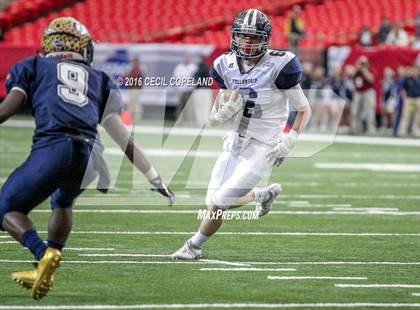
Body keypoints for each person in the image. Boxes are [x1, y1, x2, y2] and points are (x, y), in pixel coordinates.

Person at [0, 17, 174, 300]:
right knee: (63, 201)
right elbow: (123, 139)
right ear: (84, 48)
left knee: (6, 207)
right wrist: (154, 177)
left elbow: (7, 110)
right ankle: (45, 265)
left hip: (53, 148)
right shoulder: (99, 78)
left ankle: (43, 253)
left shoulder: (32, 66)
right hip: (89, 157)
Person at [172, 9, 311, 259]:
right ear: (235, 36)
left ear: (265, 39)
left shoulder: (280, 66)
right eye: (244, 36)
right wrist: (222, 114)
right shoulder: (224, 65)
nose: (248, 42)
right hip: (235, 142)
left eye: (254, 37)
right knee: (212, 204)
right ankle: (262, 194)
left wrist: (290, 139)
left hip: (264, 146)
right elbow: (213, 120)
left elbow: (304, 109)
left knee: (220, 202)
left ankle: (193, 246)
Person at [351, 56, 376, 134]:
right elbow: (351, 77)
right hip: (358, 92)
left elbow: (371, 79)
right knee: (355, 110)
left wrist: (364, 70)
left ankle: (370, 129)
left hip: (368, 91)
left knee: (369, 111)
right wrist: (357, 69)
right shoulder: (357, 70)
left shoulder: (370, 69)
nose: (362, 65)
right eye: (361, 63)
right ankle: (356, 129)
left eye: (363, 63)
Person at [398, 65, 420, 136]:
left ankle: (414, 131)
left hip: (418, 99)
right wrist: (405, 99)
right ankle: (402, 132)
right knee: (406, 115)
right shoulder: (407, 79)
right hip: (409, 99)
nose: (414, 71)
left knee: (417, 116)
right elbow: (403, 90)